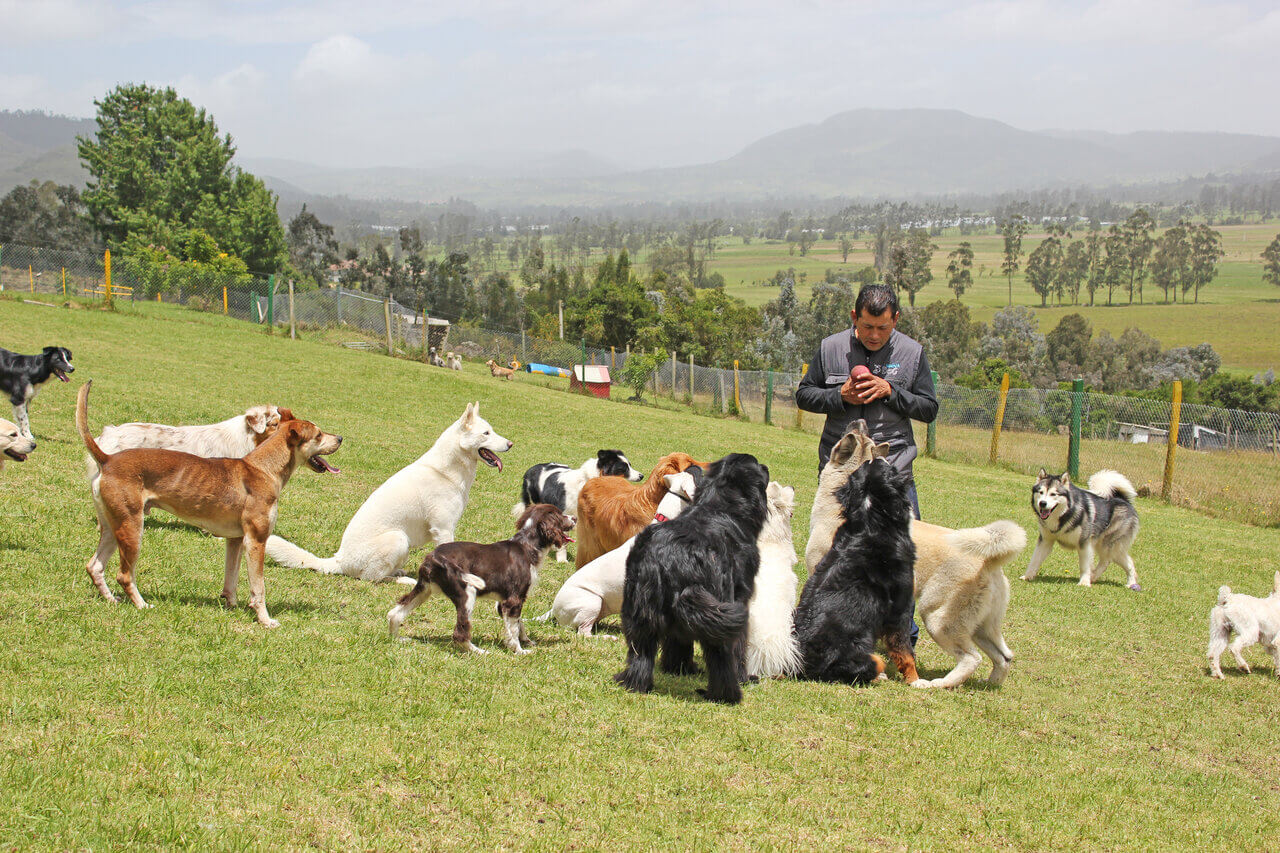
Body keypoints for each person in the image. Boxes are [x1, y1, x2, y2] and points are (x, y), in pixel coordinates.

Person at [796, 283, 938, 518]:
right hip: (840, 474)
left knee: (902, 541)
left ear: (895, 319)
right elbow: (804, 396)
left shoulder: (912, 353)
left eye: (883, 327)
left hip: (893, 473)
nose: (874, 335)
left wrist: (890, 391)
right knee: (833, 541)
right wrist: (839, 395)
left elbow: (929, 409)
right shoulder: (830, 348)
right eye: (867, 326)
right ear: (854, 317)